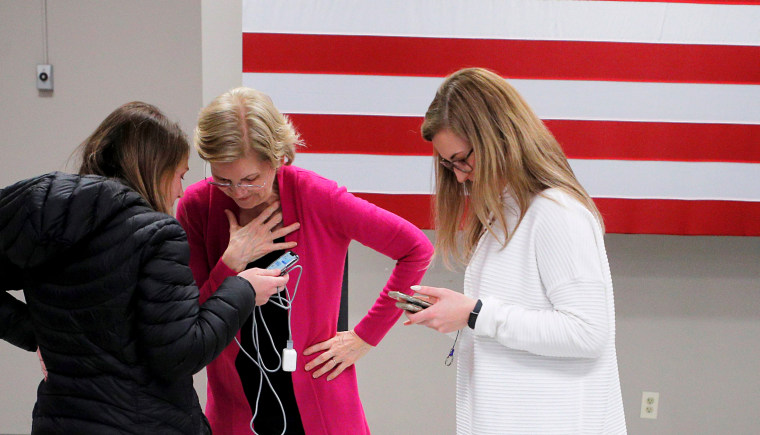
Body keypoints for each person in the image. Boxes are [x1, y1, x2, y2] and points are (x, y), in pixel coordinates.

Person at [0, 102, 288, 434]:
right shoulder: (156, 237)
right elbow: (180, 354)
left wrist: (41, 336)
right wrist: (245, 290)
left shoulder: (37, 213)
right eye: (180, 175)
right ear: (155, 168)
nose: (181, 191)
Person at [176, 87, 434, 434]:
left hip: (322, 409)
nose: (238, 192)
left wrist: (365, 336)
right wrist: (231, 261)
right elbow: (190, 320)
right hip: (235, 414)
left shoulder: (317, 198)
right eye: (224, 180)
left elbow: (416, 249)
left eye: (251, 179)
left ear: (277, 157)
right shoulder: (197, 205)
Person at [404, 68, 627, 434]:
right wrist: (458, 317)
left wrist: (476, 313)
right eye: (448, 164)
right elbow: (510, 328)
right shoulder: (504, 213)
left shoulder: (557, 212)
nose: (459, 176)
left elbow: (588, 333)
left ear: (497, 136)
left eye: (462, 159)